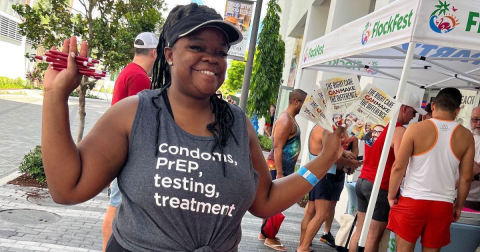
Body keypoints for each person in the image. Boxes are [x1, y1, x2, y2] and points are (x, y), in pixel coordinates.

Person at [40, 4, 346, 251]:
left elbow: (264, 201)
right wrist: (55, 97)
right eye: (198, 46)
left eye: (221, 52)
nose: (212, 59)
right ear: (169, 53)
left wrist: (324, 160)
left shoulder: (237, 123)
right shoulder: (134, 114)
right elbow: (67, 188)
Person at [388, 88, 474, 252]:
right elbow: (466, 178)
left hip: (412, 200)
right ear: (458, 110)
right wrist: (458, 206)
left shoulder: (415, 129)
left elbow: (398, 167)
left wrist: (392, 195)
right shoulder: (466, 136)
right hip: (443, 204)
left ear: (433, 106)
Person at [102, 31, 158, 251]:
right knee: (115, 207)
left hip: (119, 149)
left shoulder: (128, 71)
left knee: (115, 206)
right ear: (154, 53)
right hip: (126, 153)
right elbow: (141, 121)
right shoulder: (140, 77)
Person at [349, 91, 425, 252]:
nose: (414, 116)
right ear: (404, 108)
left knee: (360, 230)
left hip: (362, 180)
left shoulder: (375, 125)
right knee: (373, 236)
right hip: (380, 186)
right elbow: (400, 163)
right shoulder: (399, 131)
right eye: (414, 111)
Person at [298, 125, 362, 251]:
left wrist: (344, 154)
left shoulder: (318, 127)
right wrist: (351, 163)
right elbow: (332, 154)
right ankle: (303, 247)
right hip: (325, 173)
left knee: (311, 210)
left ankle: (302, 244)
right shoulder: (326, 129)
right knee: (322, 214)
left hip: (315, 172)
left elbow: (331, 150)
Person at [260, 89, 307, 251]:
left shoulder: (291, 119)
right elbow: (278, 148)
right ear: (296, 101)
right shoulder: (286, 120)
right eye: (303, 102)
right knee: (276, 202)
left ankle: (264, 232)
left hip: (283, 167)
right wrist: (279, 174)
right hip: (277, 167)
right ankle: (270, 237)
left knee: (272, 200)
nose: (304, 106)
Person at [466, 106, 480, 211]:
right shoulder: (465, 135)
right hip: (454, 195)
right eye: (475, 119)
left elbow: (473, 170)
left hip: (474, 199)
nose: (478, 123)